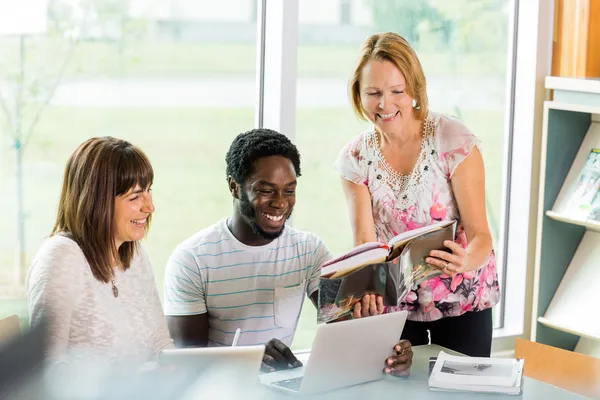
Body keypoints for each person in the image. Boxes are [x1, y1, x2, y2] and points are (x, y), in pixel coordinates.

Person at [164, 128, 412, 376]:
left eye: (289, 190)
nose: (281, 202)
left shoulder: (308, 250)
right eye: (266, 191)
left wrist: (388, 351)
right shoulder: (192, 259)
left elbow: (343, 328)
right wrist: (246, 361)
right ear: (234, 187)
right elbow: (188, 362)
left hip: (279, 386)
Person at [336, 32, 500, 357]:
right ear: (358, 94)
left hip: (463, 302)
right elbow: (365, 246)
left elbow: (482, 236)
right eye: (373, 93)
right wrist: (360, 288)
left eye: (397, 91)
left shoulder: (453, 140)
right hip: (396, 308)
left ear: (414, 88)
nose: (385, 104)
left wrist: (464, 259)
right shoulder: (354, 158)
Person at [27, 136, 173, 363]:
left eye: (148, 191)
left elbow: (160, 344)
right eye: (135, 196)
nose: (149, 207)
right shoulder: (61, 258)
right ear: (97, 201)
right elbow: (45, 368)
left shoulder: (135, 255)